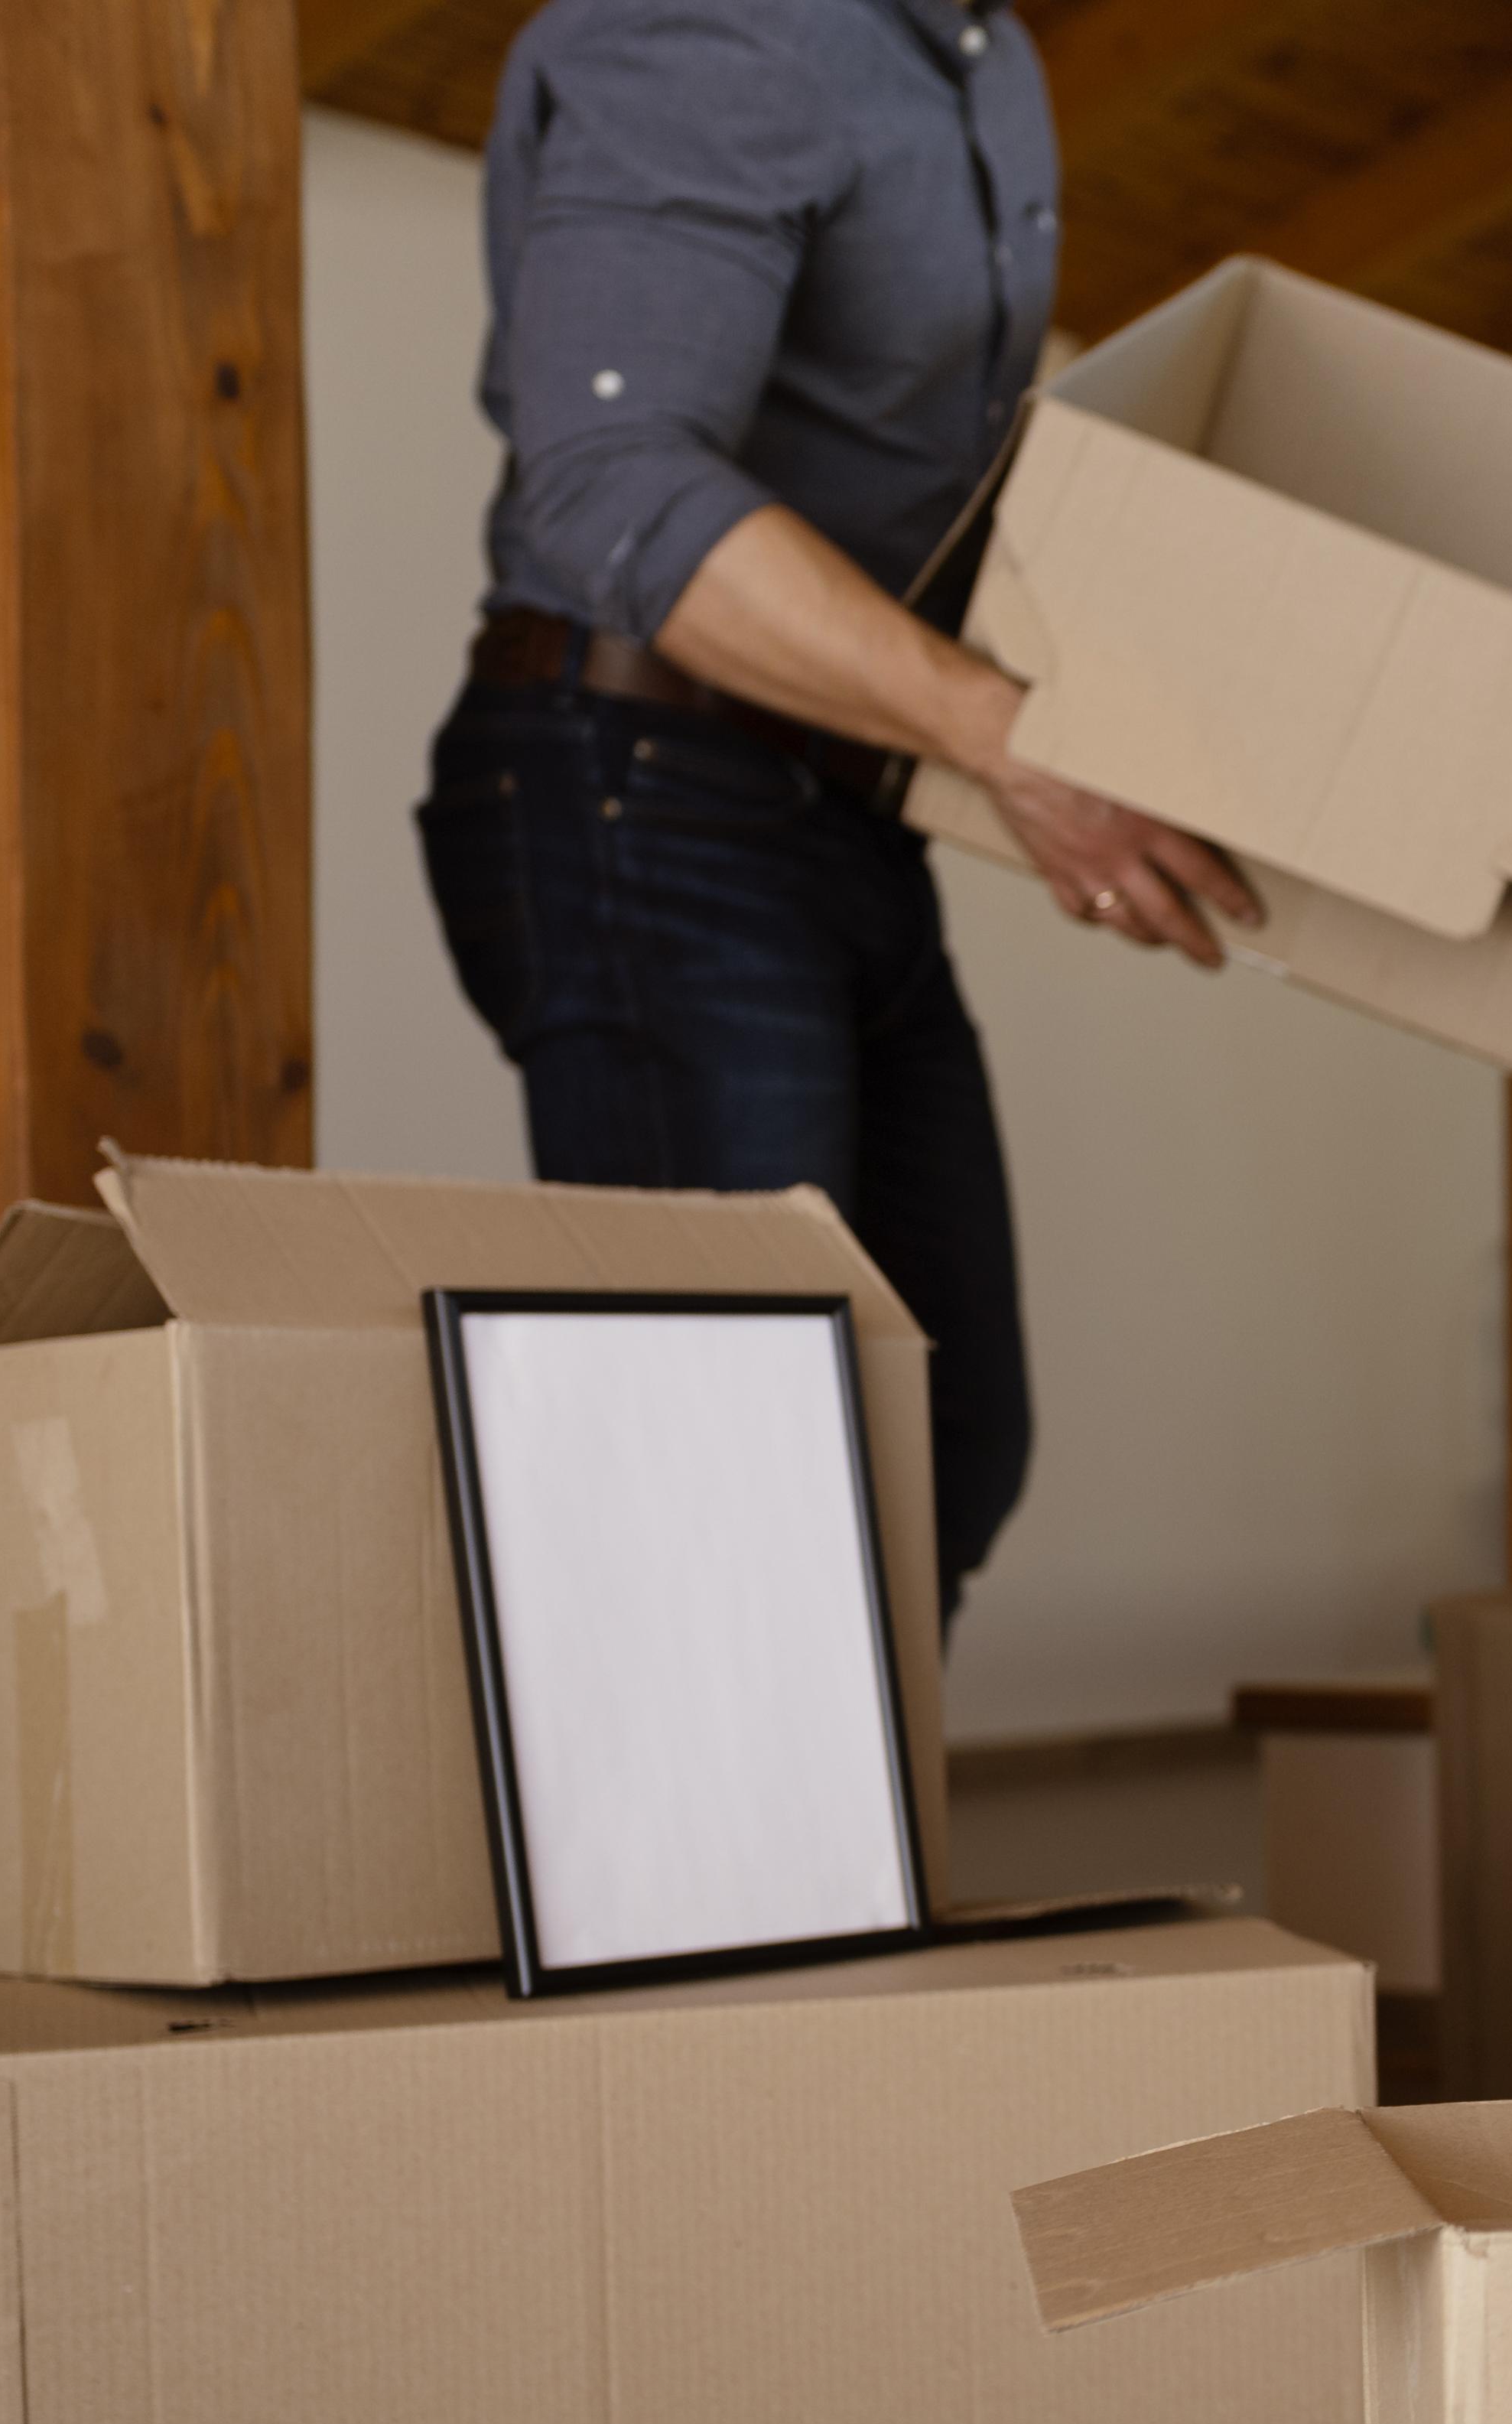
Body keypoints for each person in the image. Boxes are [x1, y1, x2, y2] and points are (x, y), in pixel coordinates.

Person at [418, 0, 1260, 1612]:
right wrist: (1016, 743)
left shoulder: (975, 58)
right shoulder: (712, 26)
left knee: (944, 1439)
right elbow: (613, 482)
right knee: (735, 1461)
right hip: (636, 793)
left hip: (834, 803)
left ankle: (851, 1867)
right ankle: (702, 1869)